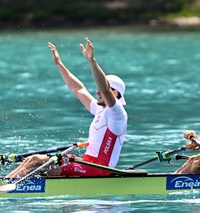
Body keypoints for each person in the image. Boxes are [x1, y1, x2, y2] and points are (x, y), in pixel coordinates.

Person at [7, 37, 128, 178]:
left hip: (99, 169)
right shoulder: (99, 109)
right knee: (31, 159)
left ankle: (5, 186)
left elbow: (105, 89)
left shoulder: (118, 114)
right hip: (88, 164)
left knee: (36, 161)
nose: (97, 91)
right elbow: (78, 89)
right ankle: (5, 183)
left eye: (100, 89)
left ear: (115, 93)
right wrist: (59, 64)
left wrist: (91, 61)